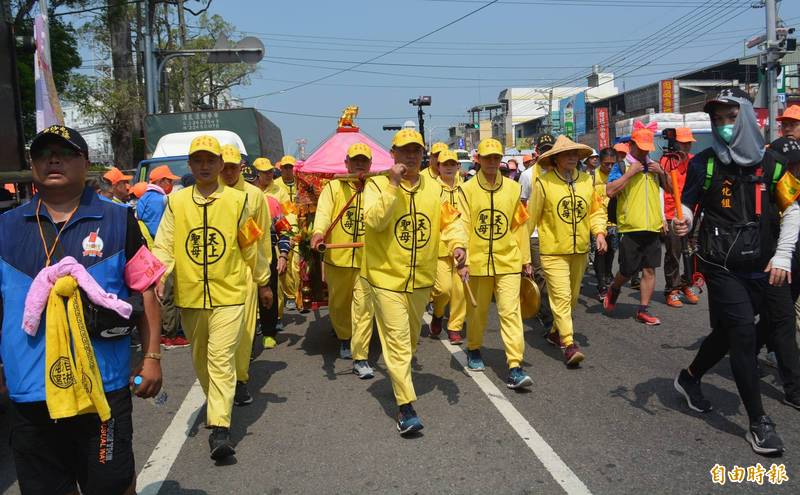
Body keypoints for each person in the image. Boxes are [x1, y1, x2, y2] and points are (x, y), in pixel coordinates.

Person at [0, 125, 163, 494]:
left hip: (103, 388)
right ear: (32, 164)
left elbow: (146, 291)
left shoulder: (120, 220)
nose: (53, 160)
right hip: (30, 388)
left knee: (113, 483)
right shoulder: (5, 228)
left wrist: (152, 356)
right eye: (43, 154)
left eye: (65, 153)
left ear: (85, 163)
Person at [672, 88, 800, 455]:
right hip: (721, 265)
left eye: (730, 117)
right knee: (743, 332)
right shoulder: (705, 163)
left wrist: (783, 257)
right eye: (717, 120)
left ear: (745, 118)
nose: (724, 126)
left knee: (746, 330)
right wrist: (682, 221)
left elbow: (792, 210)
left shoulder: (772, 164)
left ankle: (689, 378)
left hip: (767, 264)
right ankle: (759, 422)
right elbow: (687, 205)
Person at [152, 135, 271, 460]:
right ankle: (219, 400)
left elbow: (250, 244)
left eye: (210, 161)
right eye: (198, 161)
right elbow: (163, 244)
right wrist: (159, 275)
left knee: (220, 359)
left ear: (220, 165)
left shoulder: (237, 202)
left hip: (230, 295)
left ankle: (220, 428)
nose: (205, 166)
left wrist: (263, 281)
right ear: (190, 165)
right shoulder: (177, 203)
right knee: (202, 360)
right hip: (191, 298)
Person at [361, 129, 466, 435]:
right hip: (385, 279)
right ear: (392, 154)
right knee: (395, 341)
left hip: (420, 280)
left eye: (416, 151)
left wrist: (458, 245)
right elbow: (374, 221)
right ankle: (405, 406)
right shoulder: (376, 185)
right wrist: (393, 186)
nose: (410, 156)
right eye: (404, 151)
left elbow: (452, 222)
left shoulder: (434, 191)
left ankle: (399, 382)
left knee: (407, 342)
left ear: (424, 156)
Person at [528, 135, 608, 366]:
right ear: (556, 158)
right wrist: (524, 256)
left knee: (572, 299)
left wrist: (600, 233)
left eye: (575, 154)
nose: (573, 157)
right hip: (553, 252)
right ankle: (568, 344)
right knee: (562, 297)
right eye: (567, 154)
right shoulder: (544, 183)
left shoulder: (586, 181)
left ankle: (555, 331)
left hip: (580, 250)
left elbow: (596, 211)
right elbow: (530, 221)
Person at [460, 138, 533, 388]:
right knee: (477, 312)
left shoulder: (513, 189)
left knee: (510, 312)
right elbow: (463, 226)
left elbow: (519, 226)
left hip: (508, 260)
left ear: (500, 159)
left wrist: (525, 259)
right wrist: (464, 260)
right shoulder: (466, 189)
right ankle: (473, 348)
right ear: (478, 159)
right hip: (477, 262)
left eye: (496, 157)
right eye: (487, 157)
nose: (492, 162)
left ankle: (515, 365)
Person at [310, 143, 376, 377]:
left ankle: (360, 354)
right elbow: (324, 214)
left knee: (363, 306)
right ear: (346, 162)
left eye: (364, 160)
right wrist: (318, 233)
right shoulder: (333, 188)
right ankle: (344, 336)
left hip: (367, 260)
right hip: (337, 258)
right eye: (355, 160)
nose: (359, 164)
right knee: (338, 305)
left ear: (370, 164)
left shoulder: (377, 187)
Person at [219, 145, 274, 407]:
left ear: (241, 168)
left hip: (245, 275)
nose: (227, 172)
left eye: (233, 166)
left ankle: (239, 381)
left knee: (243, 333)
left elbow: (261, 240)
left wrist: (264, 280)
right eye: (224, 166)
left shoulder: (254, 196)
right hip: (213, 278)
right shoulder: (207, 194)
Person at [603, 122, 672, 326]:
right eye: (640, 148)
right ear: (631, 145)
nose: (643, 153)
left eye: (646, 149)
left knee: (650, 270)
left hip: (652, 226)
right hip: (630, 227)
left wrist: (661, 172)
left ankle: (642, 310)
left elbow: (669, 189)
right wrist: (630, 173)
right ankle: (614, 288)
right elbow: (610, 190)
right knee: (627, 271)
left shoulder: (654, 166)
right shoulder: (622, 166)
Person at [136, 164, 186, 350]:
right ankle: (170, 335)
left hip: (146, 254)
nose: (172, 184)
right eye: (170, 180)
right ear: (162, 181)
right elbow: (163, 232)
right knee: (168, 294)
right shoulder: (159, 201)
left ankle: (162, 332)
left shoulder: (143, 199)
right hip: (162, 253)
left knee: (154, 295)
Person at [429, 149, 467, 345]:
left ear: (458, 166)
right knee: (443, 290)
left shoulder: (466, 188)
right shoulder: (432, 188)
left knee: (460, 290)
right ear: (438, 167)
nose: (449, 167)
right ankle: (437, 313)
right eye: (445, 164)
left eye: (453, 164)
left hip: (463, 247)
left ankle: (455, 327)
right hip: (440, 248)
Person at [661, 128, 701, 308]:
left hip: (693, 212)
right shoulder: (666, 161)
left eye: (688, 143)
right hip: (672, 213)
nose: (686, 146)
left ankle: (686, 283)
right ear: (675, 143)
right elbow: (662, 190)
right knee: (674, 253)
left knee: (695, 253)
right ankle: (672, 290)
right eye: (683, 143)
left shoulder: (695, 162)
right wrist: (662, 216)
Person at [519, 134, 556, 331]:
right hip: (534, 234)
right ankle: (548, 316)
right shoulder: (527, 175)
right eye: (544, 150)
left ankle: (553, 309)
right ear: (537, 152)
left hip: (556, 233)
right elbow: (521, 205)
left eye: (550, 149)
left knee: (554, 276)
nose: (547, 153)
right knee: (541, 274)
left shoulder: (560, 173)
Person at [593, 148, 618, 299]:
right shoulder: (592, 177)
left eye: (612, 164)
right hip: (598, 219)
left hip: (614, 220)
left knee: (612, 251)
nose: (609, 167)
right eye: (606, 164)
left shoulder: (618, 175)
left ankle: (608, 274)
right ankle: (601, 284)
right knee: (600, 252)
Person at [275, 155, 300, 311]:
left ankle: (298, 293)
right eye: (285, 167)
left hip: (303, 226)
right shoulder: (276, 185)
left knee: (298, 264)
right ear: (281, 169)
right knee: (286, 260)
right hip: (283, 227)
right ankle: (290, 295)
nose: (288, 170)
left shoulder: (301, 183)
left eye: (290, 167)